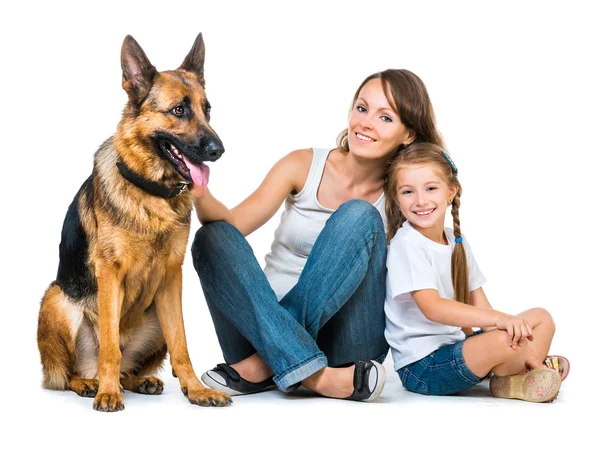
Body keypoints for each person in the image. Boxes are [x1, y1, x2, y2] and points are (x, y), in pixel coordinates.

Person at [189, 69, 444, 401]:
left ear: (408, 134)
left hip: (349, 342)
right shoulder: (302, 164)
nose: (366, 123)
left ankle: (270, 363)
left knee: (359, 215)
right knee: (212, 237)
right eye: (362, 108)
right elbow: (231, 228)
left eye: (385, 117)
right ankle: (318, 377)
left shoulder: (408, 193)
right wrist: (199, 191)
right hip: (258, 328)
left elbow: (439, 262)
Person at [383, 142, 568, 402]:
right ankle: (529, 369)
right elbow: (432, 307)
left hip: (458, 348)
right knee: (507, 340)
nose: (420, 200)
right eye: (408, 192)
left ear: (451, 191)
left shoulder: (455, 240)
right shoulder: (407, 243)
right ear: (395, 198)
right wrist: (500, 324)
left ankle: (514, 375)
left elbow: (478, 301)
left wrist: (503, 325)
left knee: (541, 318)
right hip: (424, 366)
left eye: (431, 188)